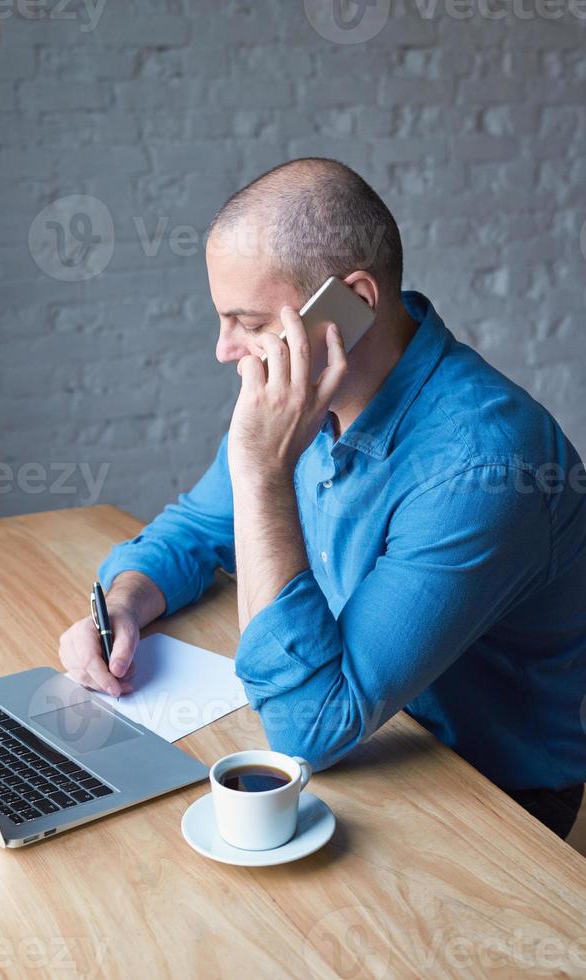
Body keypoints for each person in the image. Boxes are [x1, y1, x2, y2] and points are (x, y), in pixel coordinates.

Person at [59, 158, 586, 839]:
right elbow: (195, 529)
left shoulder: (484, 465)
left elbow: (308, 727)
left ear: (353, 303)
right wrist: (126, 600)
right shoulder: (301, 398)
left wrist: (261, 473)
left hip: (491, 804)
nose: (225, 350)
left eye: (246, 321)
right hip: (366, 749)